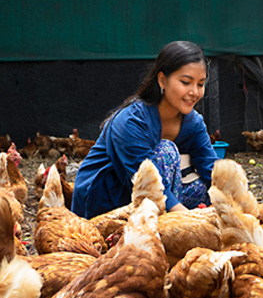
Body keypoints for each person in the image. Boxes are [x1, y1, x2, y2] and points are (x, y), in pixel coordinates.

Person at [71, 40, 219, 219]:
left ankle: (170, 224)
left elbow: (211, 168)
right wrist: (188, 221)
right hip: (107, 198)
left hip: (152, 193)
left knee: (210, 190)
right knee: (166, 151)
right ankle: (165, 226)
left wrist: (240, 211)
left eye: (200, 84)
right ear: (162, 80)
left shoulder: (193, 122)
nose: (194, 92)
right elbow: (147, 181)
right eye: (186, 82)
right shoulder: (131, 121)